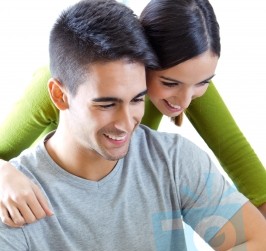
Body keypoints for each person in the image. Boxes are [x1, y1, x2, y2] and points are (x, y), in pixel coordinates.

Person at [0, 0, 265, 251]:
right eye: (106, 104)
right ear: (59, 96)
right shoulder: (16, 194)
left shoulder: (174, 159)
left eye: (138, 99)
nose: (127, 123)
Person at [0, 0, 265, 228]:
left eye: (203, 83)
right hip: (57, 213)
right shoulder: (69, 83)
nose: (185, 101)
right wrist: (5, 174)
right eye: (169, 83)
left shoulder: (186, 79)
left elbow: (239, 158)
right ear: (143, 61)